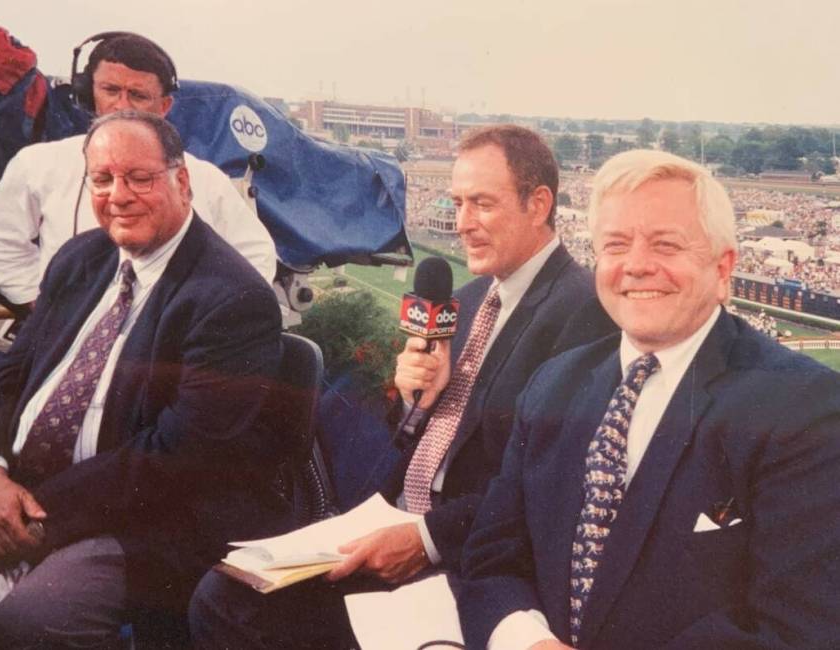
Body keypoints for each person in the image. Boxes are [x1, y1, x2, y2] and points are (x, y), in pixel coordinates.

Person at [188, 125, 616, 649]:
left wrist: (424, 540)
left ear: (539, 203)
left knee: (235, 609)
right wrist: (412, 400)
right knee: (225, 591)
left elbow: (542, 485)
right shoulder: (474, 294)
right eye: (457, 203)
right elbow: (428, 440)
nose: (462, 224)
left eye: (481, 204)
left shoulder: (586, 311)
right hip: (393, 520)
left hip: (467, 561)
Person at [454, 149, 840, 649]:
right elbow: (491, 557)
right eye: (615, 245)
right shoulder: (554, 384)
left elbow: (796, 626)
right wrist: (527, 642)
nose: (636, 265)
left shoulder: (801, 405)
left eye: (666, 245)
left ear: (723, 269)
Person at [0, 110, 288, 647]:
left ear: (182, 181)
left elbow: (174, 458)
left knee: (33, 620)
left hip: (145, 521)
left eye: (139, 178)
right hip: (23, 491)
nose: (118, 195)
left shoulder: (232, 299)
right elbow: (12, 373)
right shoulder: (82, 258)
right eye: (102, 180)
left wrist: (30, 514)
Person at [0, 31, 276, 308]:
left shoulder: (205, 178)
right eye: (110, 90)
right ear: (89, 93)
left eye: (138, 95)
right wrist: (39, 303)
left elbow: (254, 253)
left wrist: (209, 313)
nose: (122, 105)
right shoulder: (38, 163)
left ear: (164, 106)